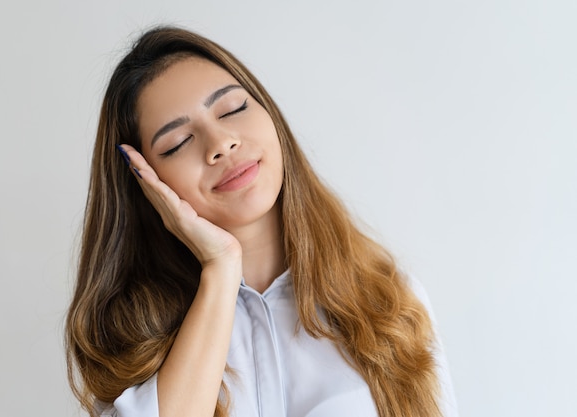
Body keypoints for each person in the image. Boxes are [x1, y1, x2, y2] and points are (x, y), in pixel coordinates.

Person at [65, 26, 458, 417]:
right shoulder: (132, 337)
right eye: (178, 143)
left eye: (233, 109)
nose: (221, 143)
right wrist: (220, 268)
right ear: (145, 181)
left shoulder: (388, 300)